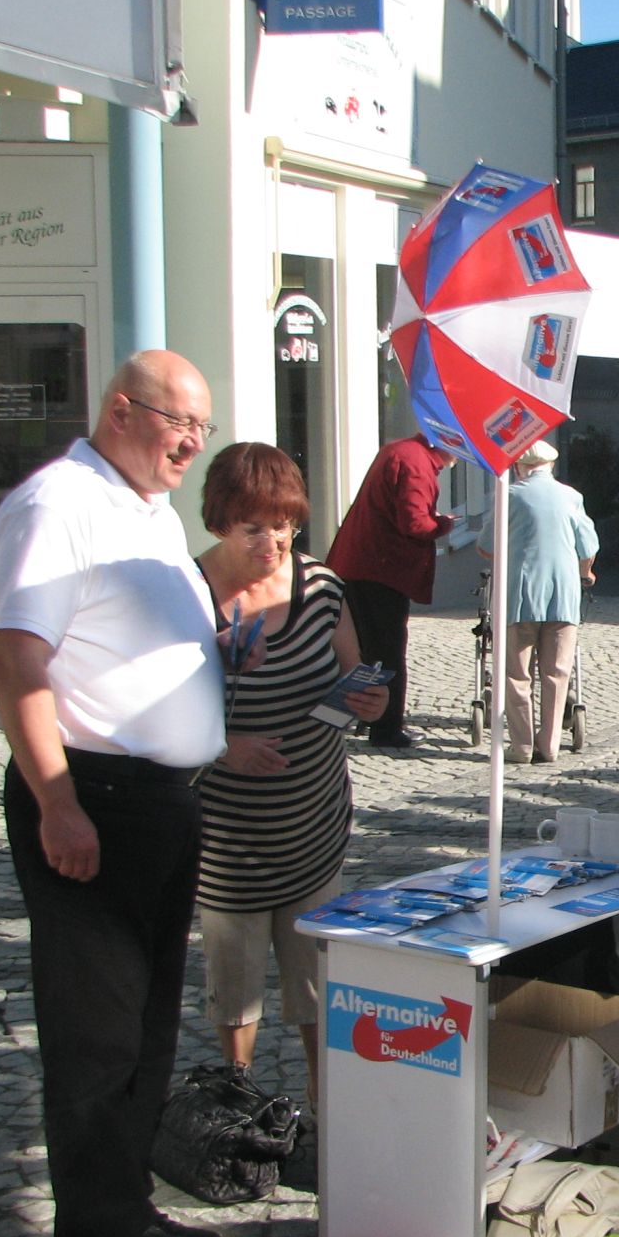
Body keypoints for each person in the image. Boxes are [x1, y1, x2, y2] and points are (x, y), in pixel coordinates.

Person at [0, 351, 230, 1237]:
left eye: (203, 428)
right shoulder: (59, 505)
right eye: (180, 422)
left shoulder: (148, 510)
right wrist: (57, 802)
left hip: (161, 804)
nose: (192, 443)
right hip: (94, 801)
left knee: (150, 1032)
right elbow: (16, 661)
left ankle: (125, 1207)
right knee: (96, 1044)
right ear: (123, 410)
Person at [194, 443, 388, 1104]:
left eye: (284, 526)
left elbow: (352, 674)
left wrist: (369, 701)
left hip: (312, 820)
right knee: (236, 984)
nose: (273, 542)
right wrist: (226, 746)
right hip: (228, 837)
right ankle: (240, 1106)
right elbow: (153, 707)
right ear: (220, 521)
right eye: (255, 528)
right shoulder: (189, 593)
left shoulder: (321, 588)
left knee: (316, 980)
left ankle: (325, 1105)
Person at [326, 434, 457, 749]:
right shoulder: (416, 463)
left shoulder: (401, 451)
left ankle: (368, 716)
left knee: (368, 648)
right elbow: (415, 523)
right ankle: (386, 728)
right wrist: (443, 524)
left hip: (361, 563)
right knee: (387, 651)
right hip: (381, 569)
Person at [492, 439, 599, 765]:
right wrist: (586, 573)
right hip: (564, 595)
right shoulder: (571, 496)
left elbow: (486, 546)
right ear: (550, 466)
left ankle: (522, 747)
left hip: (521, 597)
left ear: (520, 467)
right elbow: (588, 547)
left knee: (517, 675)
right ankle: (549, 745)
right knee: (556, 673)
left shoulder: (509, 495)